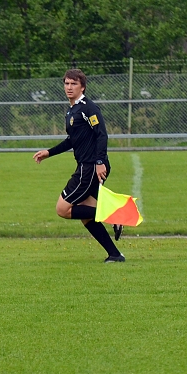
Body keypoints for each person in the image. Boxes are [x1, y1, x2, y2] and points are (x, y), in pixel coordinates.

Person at [33, 68, 124, 262]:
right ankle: (115, 255)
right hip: (86, 166)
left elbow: (101, 135)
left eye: (73, 84)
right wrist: (49, 152)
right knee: (86, 215)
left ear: (82, 87)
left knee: (63, 209)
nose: (69, 87)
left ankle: (114, 217)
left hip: (90, 167)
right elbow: (72, 140)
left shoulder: (88, 108)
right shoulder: (71, 111)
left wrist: (100, 161)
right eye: (66, 83)